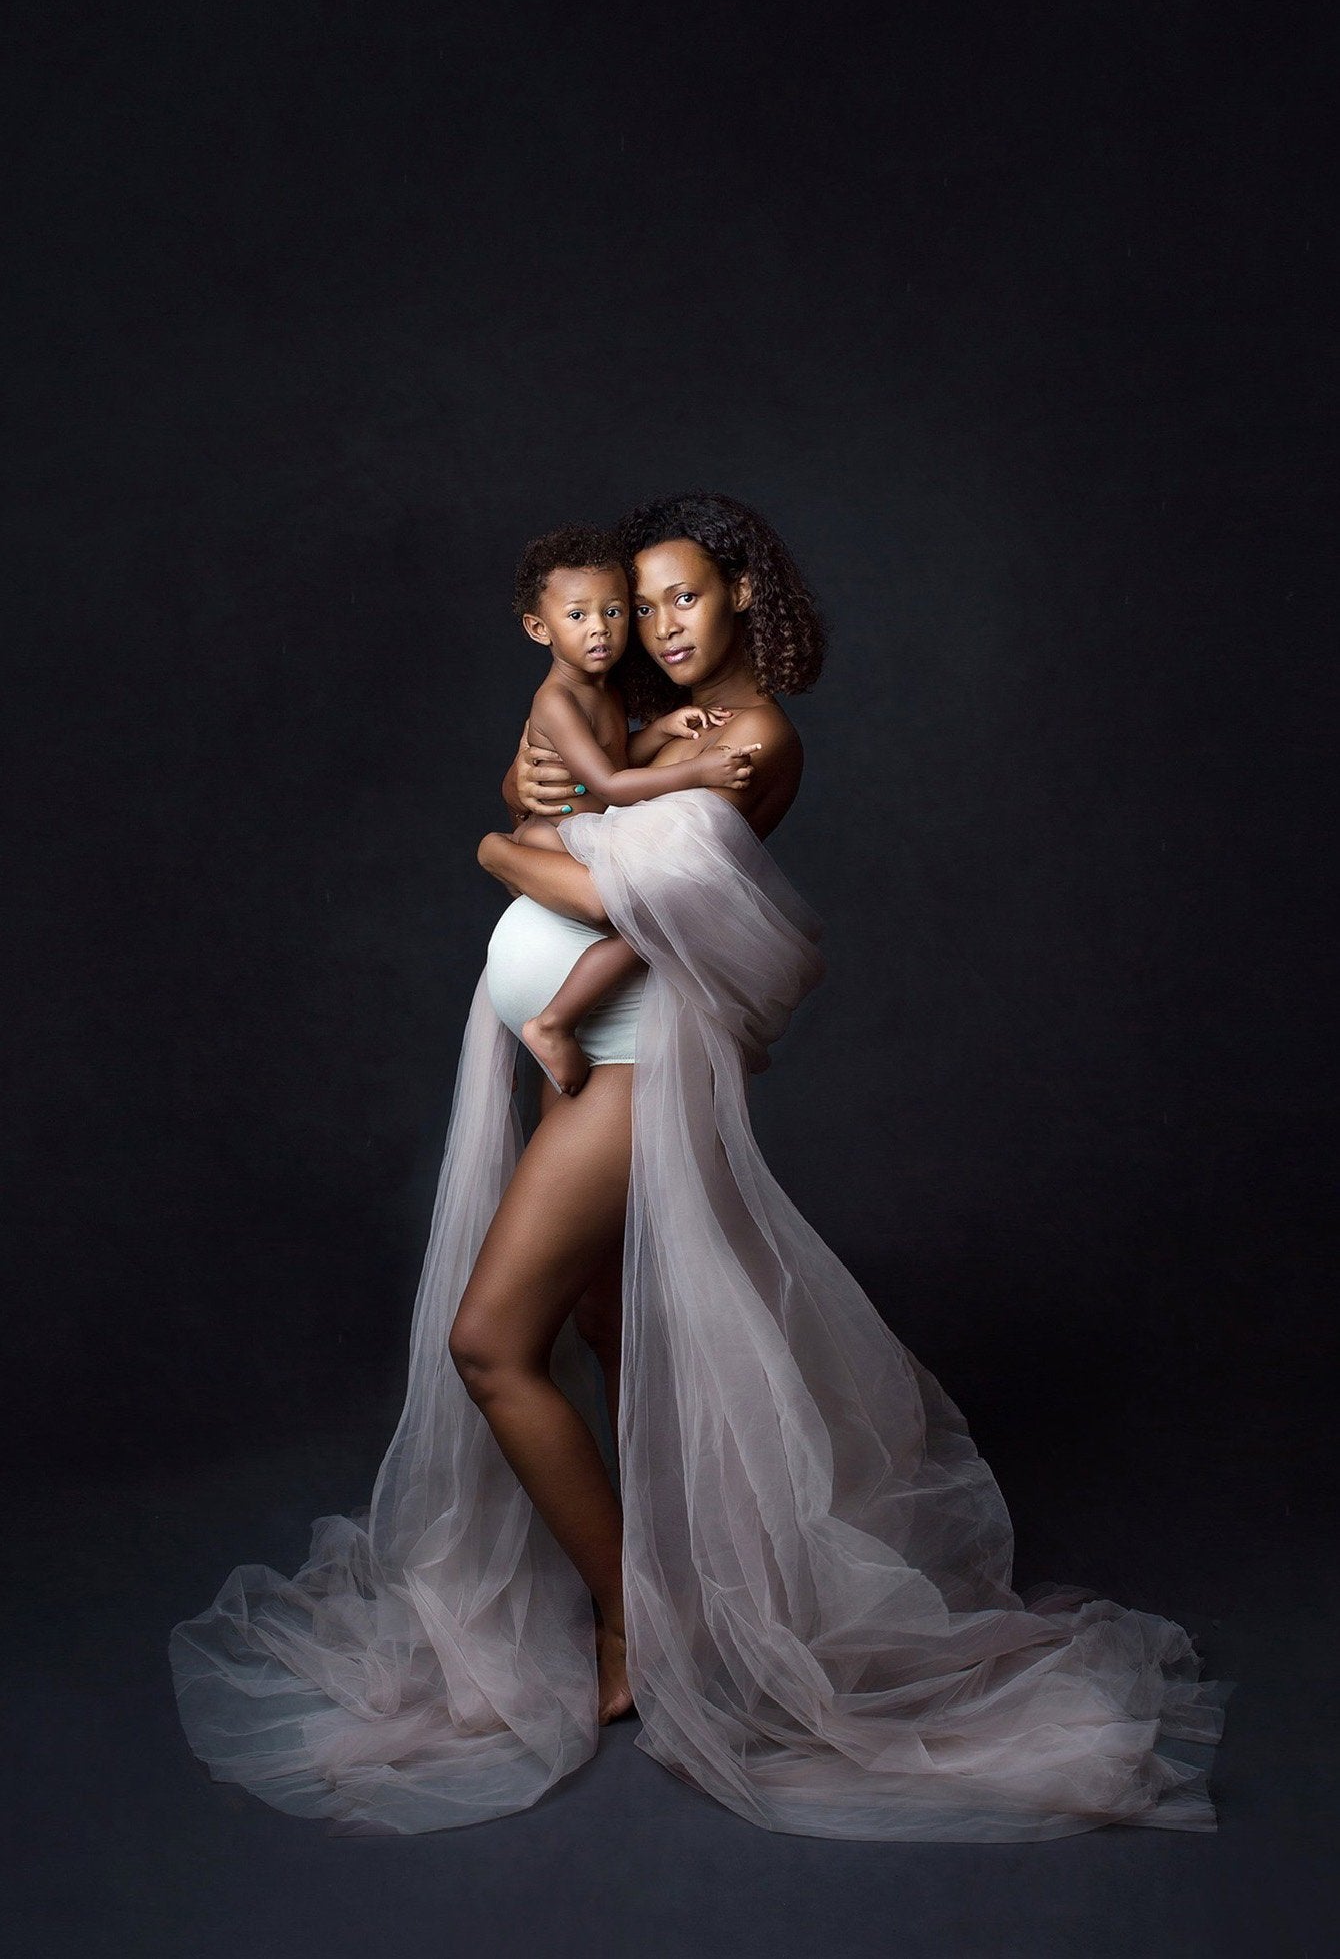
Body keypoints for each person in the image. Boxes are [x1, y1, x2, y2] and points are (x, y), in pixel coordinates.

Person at [170, 492, 1229, 1840]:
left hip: (632, 1062)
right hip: (591, 1046)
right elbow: (556, 778)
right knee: (612, 1325)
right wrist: (523, 789)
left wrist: (498, 845)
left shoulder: (755, 741)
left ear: (742, 598)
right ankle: (666, 1578)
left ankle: (630, 1621)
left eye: (685, 598)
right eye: (645, 600)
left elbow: (625, 895)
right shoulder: (634, 708)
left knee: (492, 1342)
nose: (660, 626)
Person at [498, 522, 756, 1094]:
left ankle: (556, 1019)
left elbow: (611, 754)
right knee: (639, 910)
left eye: (614, 613)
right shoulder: (557, 698)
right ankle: (553, 1021)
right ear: (539, 629)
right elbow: (609, 784)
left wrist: (660, 727)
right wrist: (698, 768)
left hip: (580, 836)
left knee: (651, 911)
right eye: (578, 617)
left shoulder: (604, 687)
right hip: (555, 836)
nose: (601, 631)